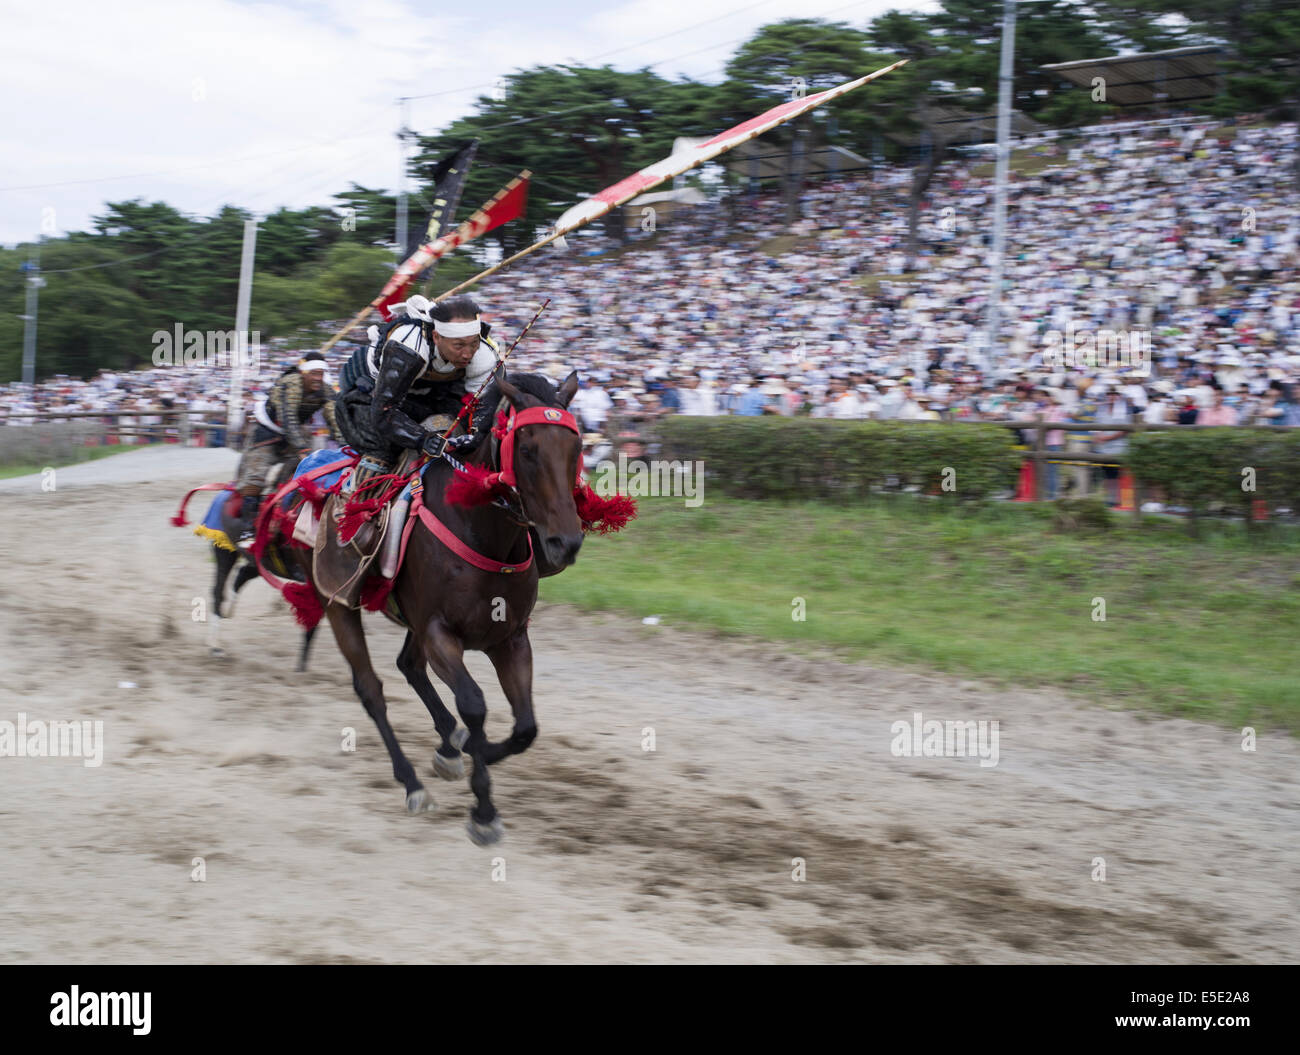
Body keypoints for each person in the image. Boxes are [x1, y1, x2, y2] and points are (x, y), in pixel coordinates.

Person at [335, 294, 499, 496]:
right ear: (437, 337)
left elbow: (482, 406)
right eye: (459, 345)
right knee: (383, 451)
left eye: (473, 344)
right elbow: (384, 413)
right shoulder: (407, 348)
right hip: (369, 394)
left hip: (430, 396)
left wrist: (474, 436)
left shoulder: (483, 355)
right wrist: (423, 439)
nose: (467, 354)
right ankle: (351, 502)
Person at [233, 351, 339, 540]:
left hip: (296, 435)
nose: (317, 378)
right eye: (314, 373)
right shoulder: (290, 383)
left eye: (321, 374)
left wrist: (346, 446)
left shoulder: (326, 390)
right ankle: (247, 529)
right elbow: (287, 417)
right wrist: (301, 448)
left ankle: (281, 515)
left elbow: (335, 419)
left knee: (304, 473)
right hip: (267, 432)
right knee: (255, 476)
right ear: (303, 373)